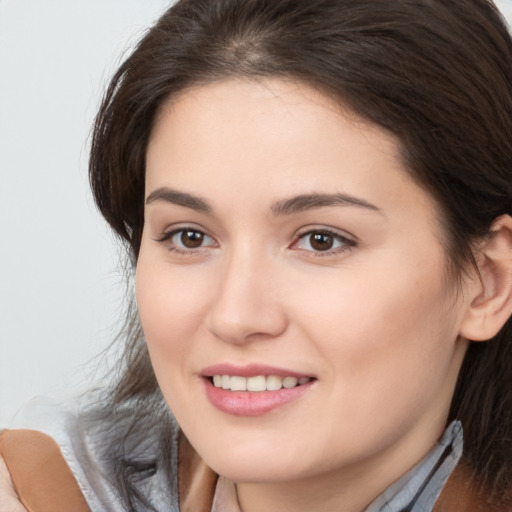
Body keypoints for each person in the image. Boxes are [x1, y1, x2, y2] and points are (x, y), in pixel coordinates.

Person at [2, 0, 512, 510]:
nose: (235, 316)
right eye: (190, 236)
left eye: (321, 240)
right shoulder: (34, 489)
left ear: (488, 281)